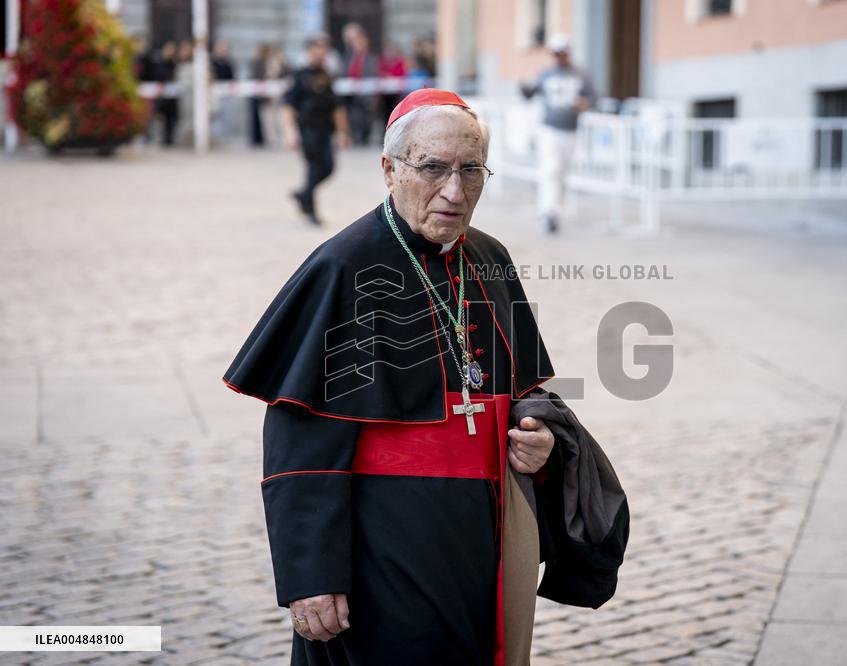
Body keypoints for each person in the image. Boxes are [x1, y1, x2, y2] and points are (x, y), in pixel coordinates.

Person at [223, 88, 628, 665]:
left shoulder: (489, 258)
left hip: (485, 535)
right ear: (390, 169)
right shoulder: (342, 267)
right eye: (433, 168)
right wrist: (311, 574)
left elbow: (518, 388)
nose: (455, 192)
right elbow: (301, 439)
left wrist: (537, 436)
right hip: (386, 539)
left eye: (471, 171)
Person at [520, 33, 596, 234]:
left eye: (562, 52)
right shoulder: (546, 74)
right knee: (550, 170)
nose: (559, 56)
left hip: (570, 130)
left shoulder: (580, 74)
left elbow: (592, 97)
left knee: (562, 172)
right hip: (550, 129)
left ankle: (554, 209)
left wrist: (583, 103)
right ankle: (548, 212)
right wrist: (523, 87)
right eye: (556, 53)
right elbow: (530, 93)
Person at [282, 36, 350, 226]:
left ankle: (304, 194)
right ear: (310, 52)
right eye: (317, 49)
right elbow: (288, 106)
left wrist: (343, 132)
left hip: (325, 129)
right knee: (313, 168)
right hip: (308, 129)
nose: (321, 53)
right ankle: (311, 210)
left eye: (324, 50)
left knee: (328, 168)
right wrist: (289, 132)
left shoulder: (327, 76)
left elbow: (336, 107)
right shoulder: (299, 75)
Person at [154, 41, 179, 147]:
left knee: (171, 118)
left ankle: (170, 139)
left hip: (173, 95)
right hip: (163, 95)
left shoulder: (175, 63)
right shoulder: (160, 63)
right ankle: (162, 139)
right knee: (161, 118)